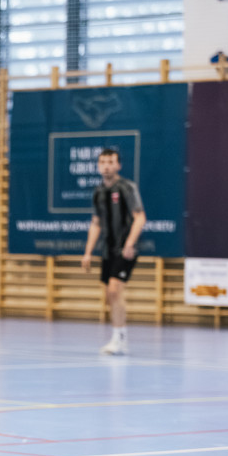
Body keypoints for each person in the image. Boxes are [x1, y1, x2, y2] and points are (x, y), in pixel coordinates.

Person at [80, 148, 146, 356]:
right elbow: (96, 223)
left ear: (118, 165)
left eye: (111, 162)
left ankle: (120, 339)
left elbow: (140, 217)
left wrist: (129, 243)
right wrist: (88, 252)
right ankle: (118, 335)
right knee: (110, 294)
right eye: (103, 162)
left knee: (115, 290)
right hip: (107, 250)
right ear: (98, 166)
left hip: (125, 248)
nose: (106, 166)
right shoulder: (98, 192)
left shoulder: (127, 187)